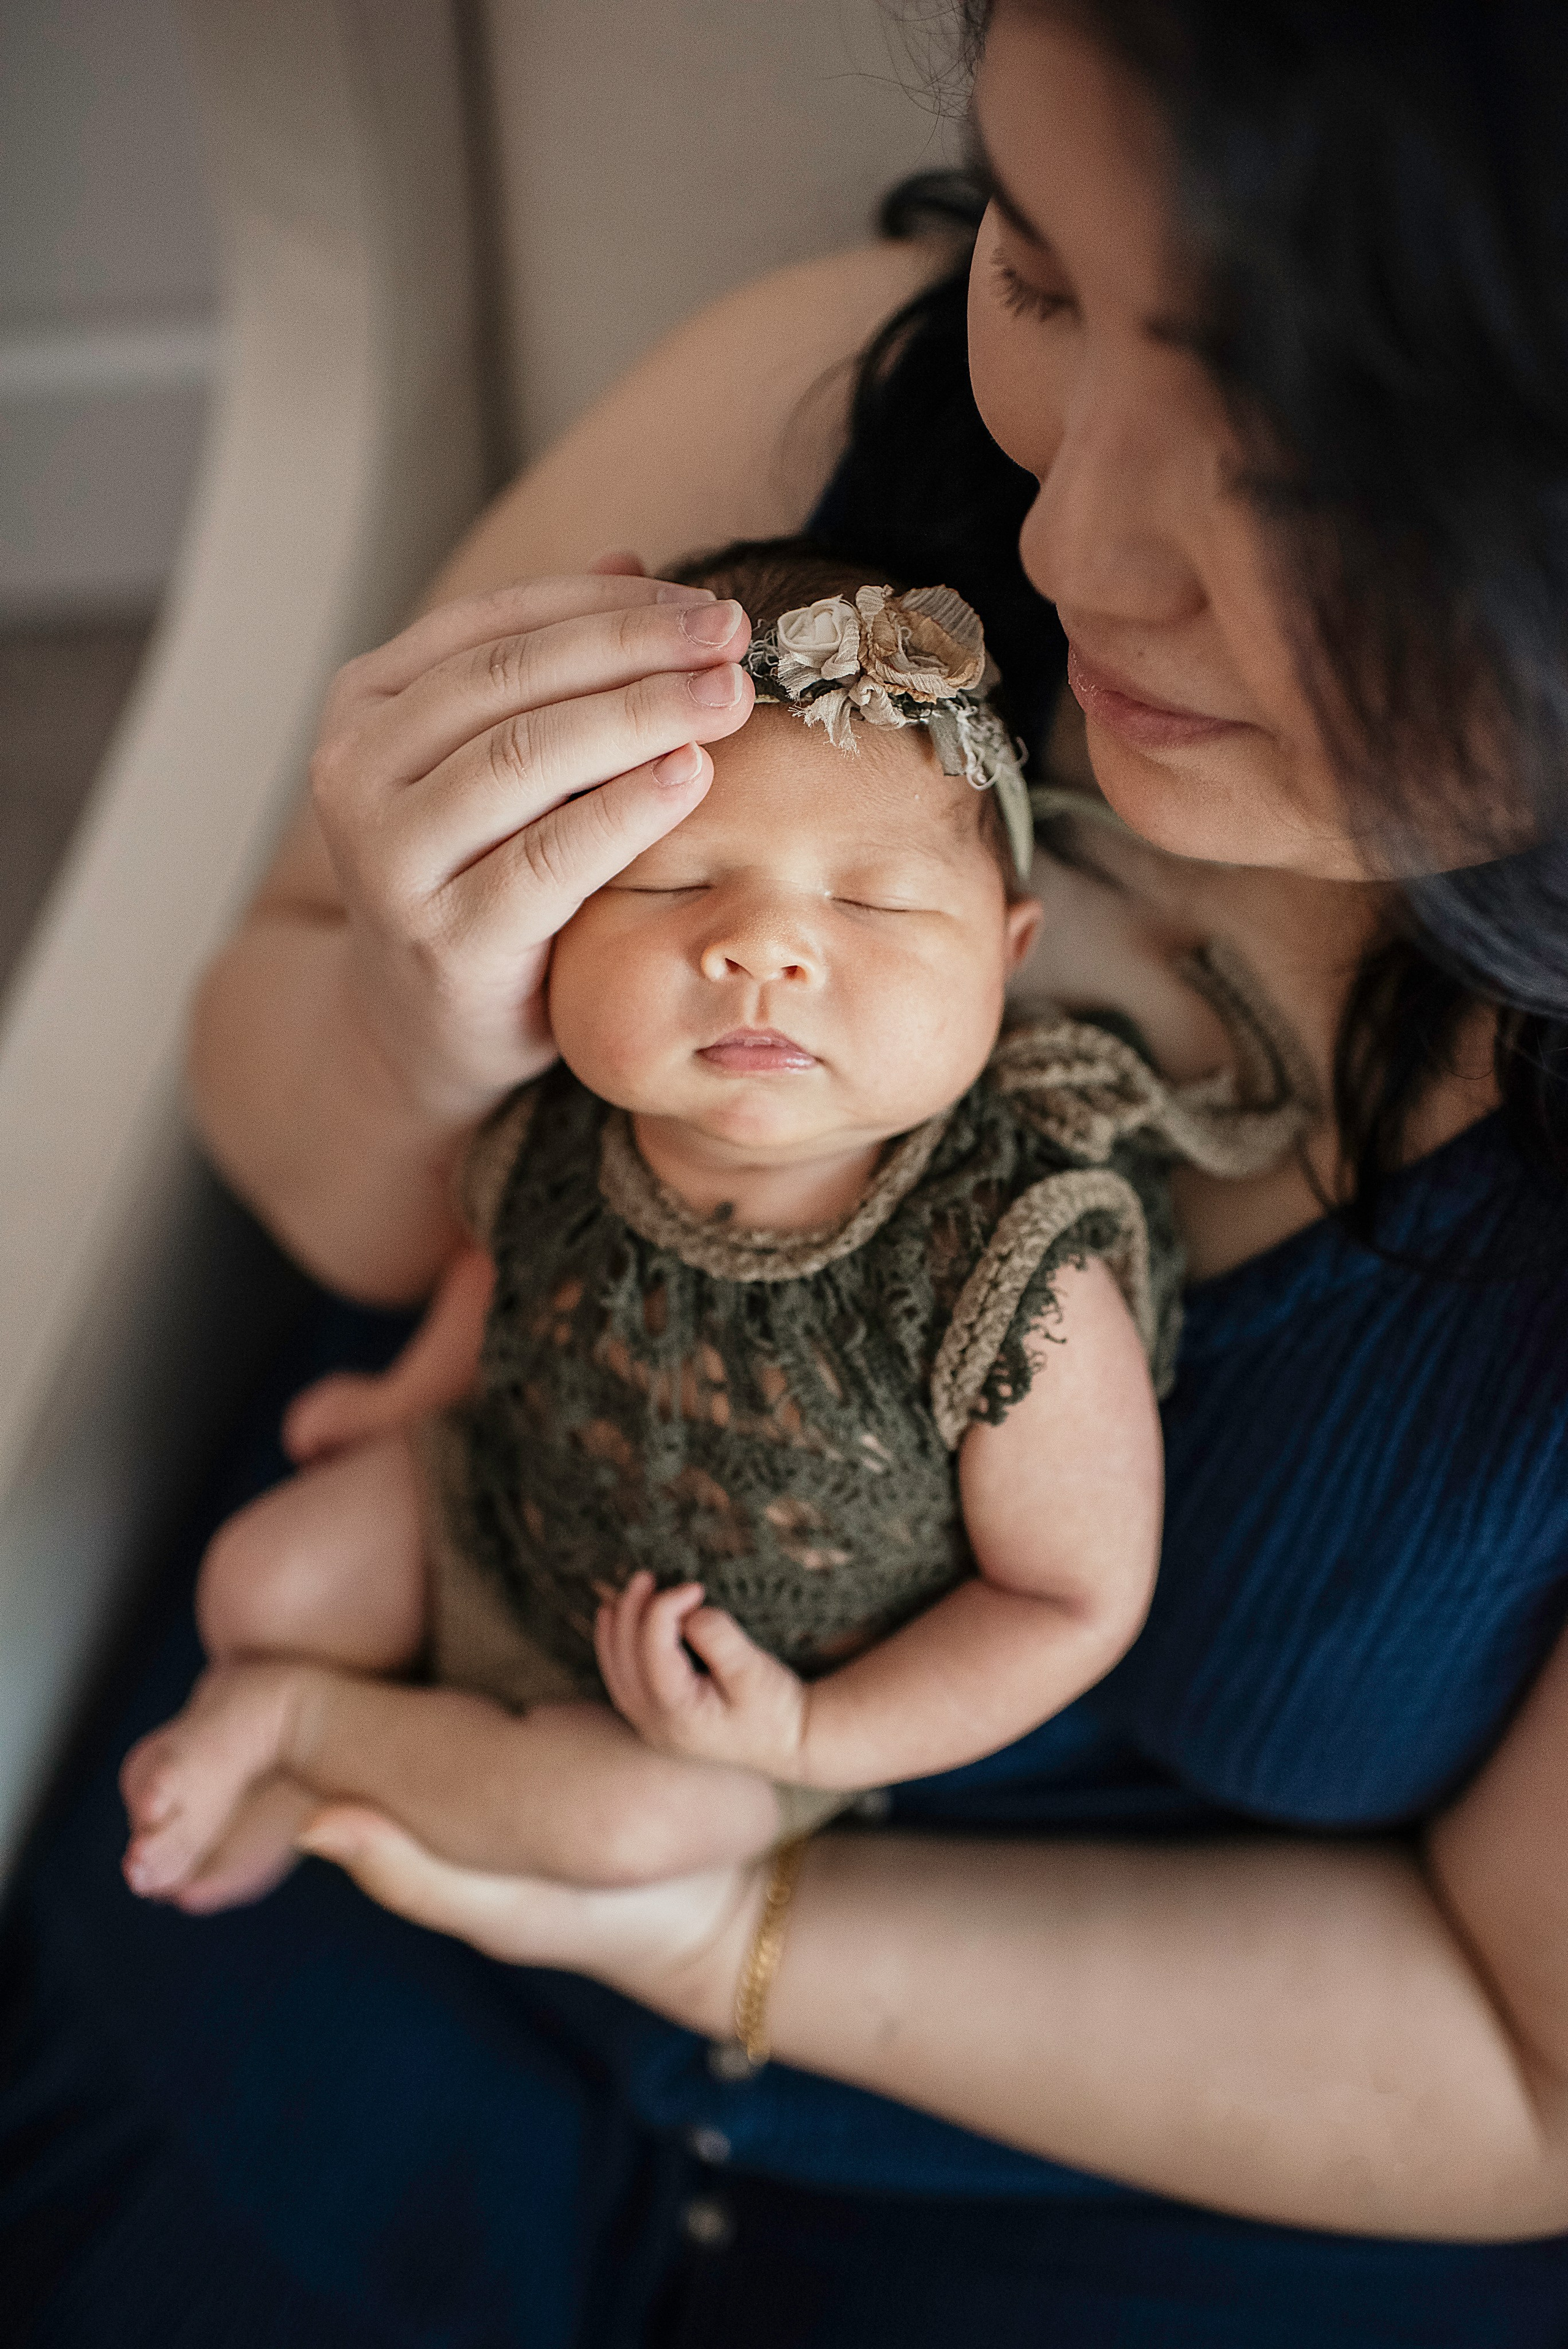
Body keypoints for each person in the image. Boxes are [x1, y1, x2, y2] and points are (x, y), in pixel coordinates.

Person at [7, 2, 1568, 2341]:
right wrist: (420, 1013)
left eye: (1300, 453)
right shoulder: (813, 478)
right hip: (366, 1880)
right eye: (1041, 278)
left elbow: (1524, 2063)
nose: (1068, 539)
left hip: (1149, 2178)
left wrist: (705, 1906)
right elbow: (347, 1213)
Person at [117, 544, 1305, 1918]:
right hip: (499, 1505)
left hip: (728, 1701)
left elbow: (1066, 1603)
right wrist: (410, 1398)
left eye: (871, 901)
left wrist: (806, 1736)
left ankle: (303, 1733)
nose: (764, 951)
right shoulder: (571, 1121)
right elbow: (504, 1266)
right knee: (260, 1578)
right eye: (674, 885)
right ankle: (300, 1756)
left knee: (633, 1825)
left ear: (1008, 953)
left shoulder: (1010, 1268)